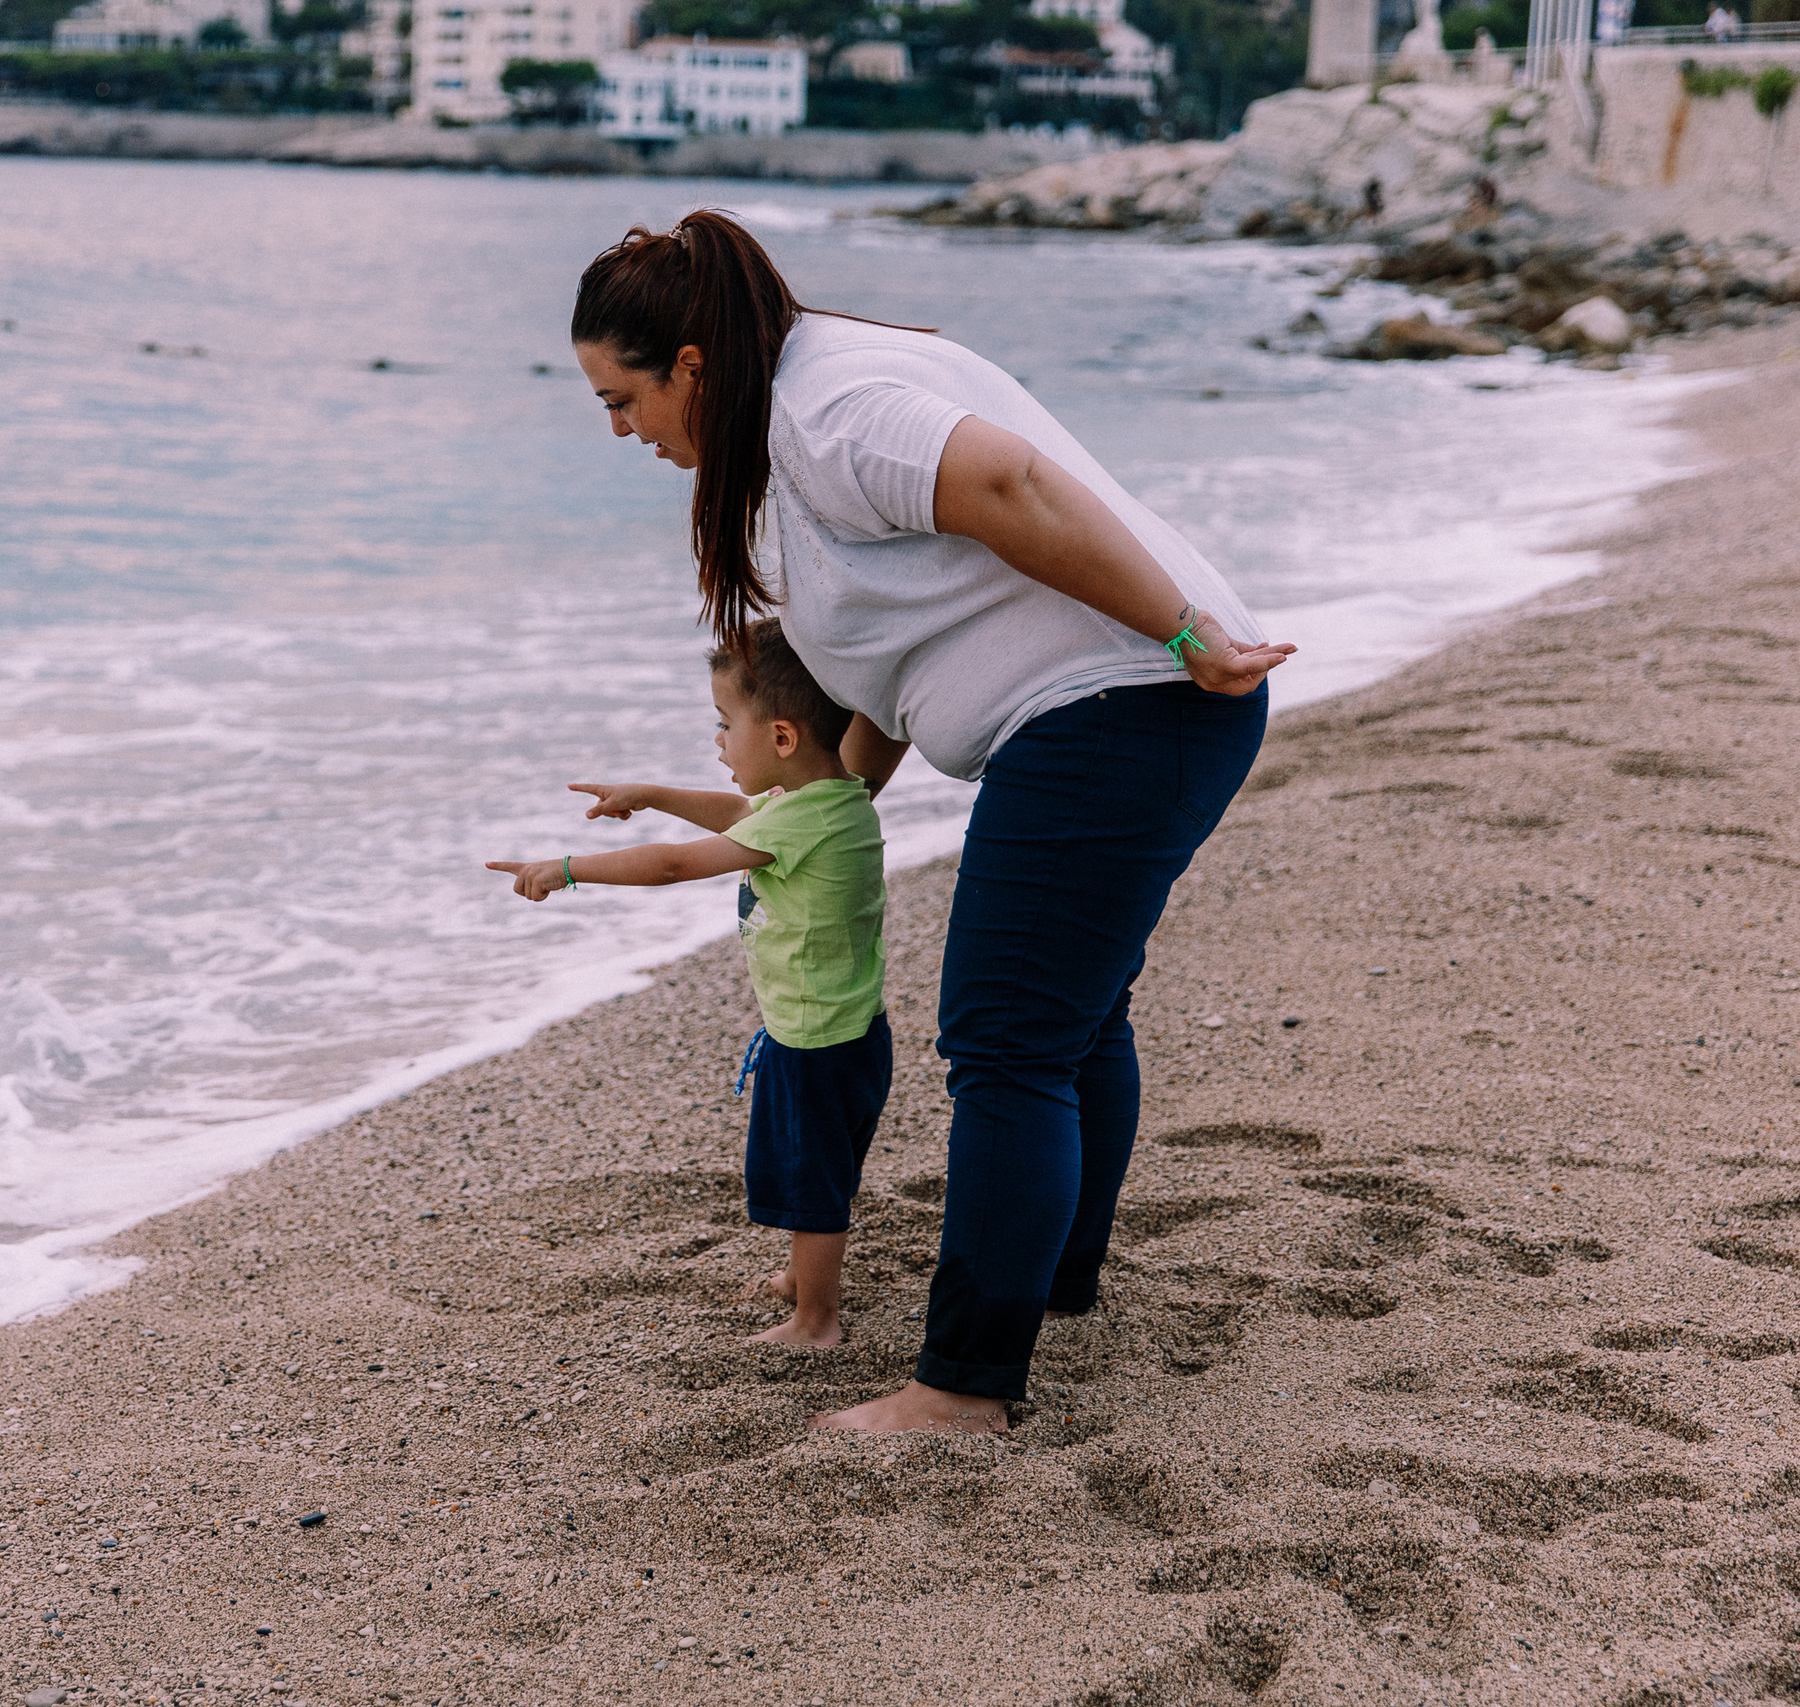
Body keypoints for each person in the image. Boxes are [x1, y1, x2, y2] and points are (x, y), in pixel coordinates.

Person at [568, 210, 1294, 1434]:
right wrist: (828, 819)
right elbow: (891, 652)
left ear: (688, 367)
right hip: (1124, 716)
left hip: (1125, 709)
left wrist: (1184, 636)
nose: (624, 432)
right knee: (1062, 1022)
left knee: (1007, 1040)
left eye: (618, 401)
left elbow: (1010, 483)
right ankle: (1051, 1286)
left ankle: (963, 1386)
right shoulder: (789, 421)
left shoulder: (828, 409)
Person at [489, 620, 890, 1348]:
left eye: (723, 722)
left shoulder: (799, 823)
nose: (717, 740)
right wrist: (652, 792)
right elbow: (740, 810)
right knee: (819, 1164)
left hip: (813, 1040)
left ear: (781, 738)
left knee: (814, 1179)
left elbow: (675, 865)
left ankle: (815, 1319)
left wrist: (570, 867)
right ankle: (804, 1282)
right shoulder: (831, 800)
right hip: (847, 1030)